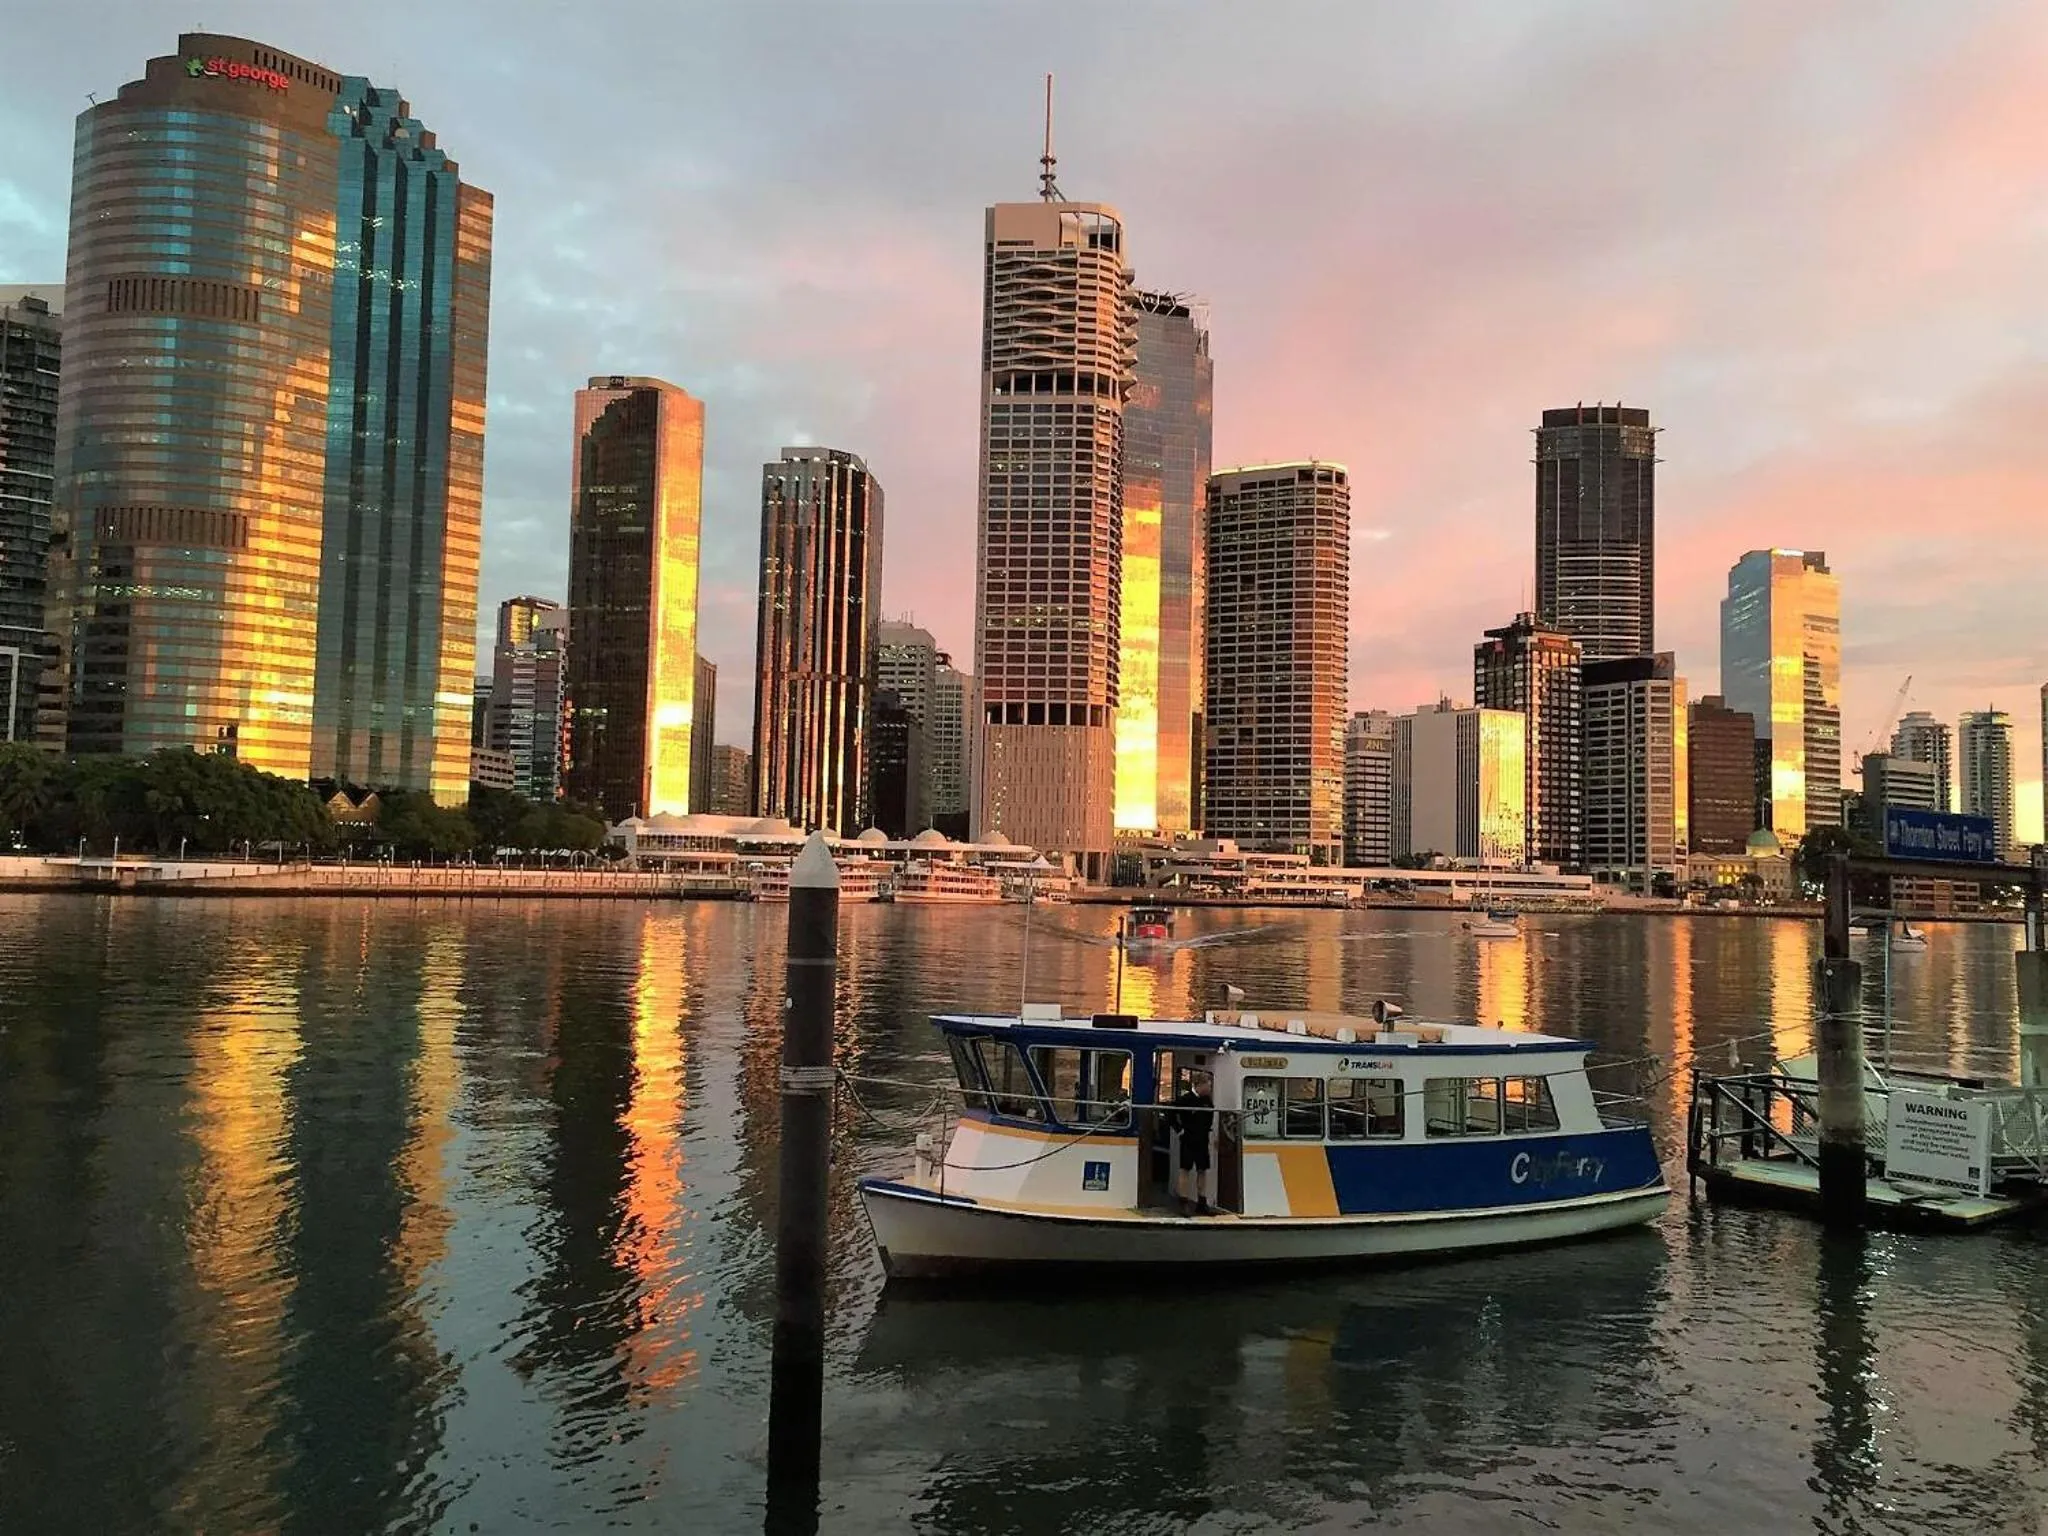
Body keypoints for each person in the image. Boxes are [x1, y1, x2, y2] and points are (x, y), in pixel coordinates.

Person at [1171, 1073, 1215, 1215]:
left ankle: (1201, 1202)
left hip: (1202, 1140)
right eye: (1208, 1085)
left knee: (1202, 1170)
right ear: (1199, 1085)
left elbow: (1210, 1116)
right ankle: (1183, 1202)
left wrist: (1207, 1130)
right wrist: (1180, 1130)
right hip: (1188, 1139)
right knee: (1185, 1169)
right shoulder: (1185, 1099)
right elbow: (1170, 1113)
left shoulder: (1207, 1101)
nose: (1209, 1088)